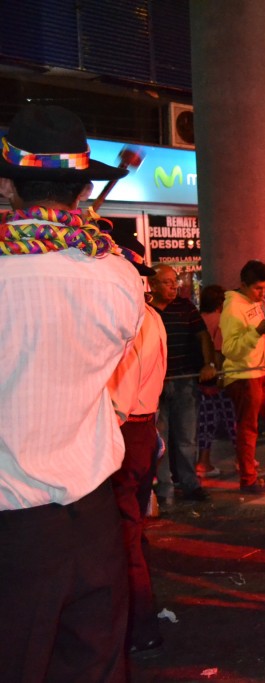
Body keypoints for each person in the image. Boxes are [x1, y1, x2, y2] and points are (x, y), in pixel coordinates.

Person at [0, 104, 144, 681]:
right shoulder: (117, 276)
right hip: (93, 518)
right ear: (84, 192)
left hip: (12, 528)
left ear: (7, 185)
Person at [107, 232, 168, 657]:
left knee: (125, 536)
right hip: (142, 431)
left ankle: (140, 624)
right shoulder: (151, 315)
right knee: (133, 532)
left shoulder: (129, 321)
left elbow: (119, 399)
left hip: (125, 432)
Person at [220, 259, 265, 495]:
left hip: (260, 371)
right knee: (248, 428)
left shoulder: (253, 302)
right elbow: (229, 348)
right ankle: (248, 480)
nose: (262, 293)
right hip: (243, 375)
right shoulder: (232, 307)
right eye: (257, 288)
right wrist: (257, 331)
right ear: (243, 284)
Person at [149, 264, 217, 503]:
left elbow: (202, 335)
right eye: (166, 282)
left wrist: (208, 364)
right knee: (162, 440)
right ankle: (165, 488)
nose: (173, 286)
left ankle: (189, 484)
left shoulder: (185, 307)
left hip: (184, 380)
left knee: (187, 437)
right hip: (155, 385)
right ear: (152, 285)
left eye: (174, 281)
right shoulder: (145, 310)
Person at [196, 284, 236, 477]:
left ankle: (203, 462)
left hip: (200, 380)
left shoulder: (198, 319)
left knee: (206, 423)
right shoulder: (221, 320)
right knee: (233, 420)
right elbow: (219, 352)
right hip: (219, 380)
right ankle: (243, 459)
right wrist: (221, 377)